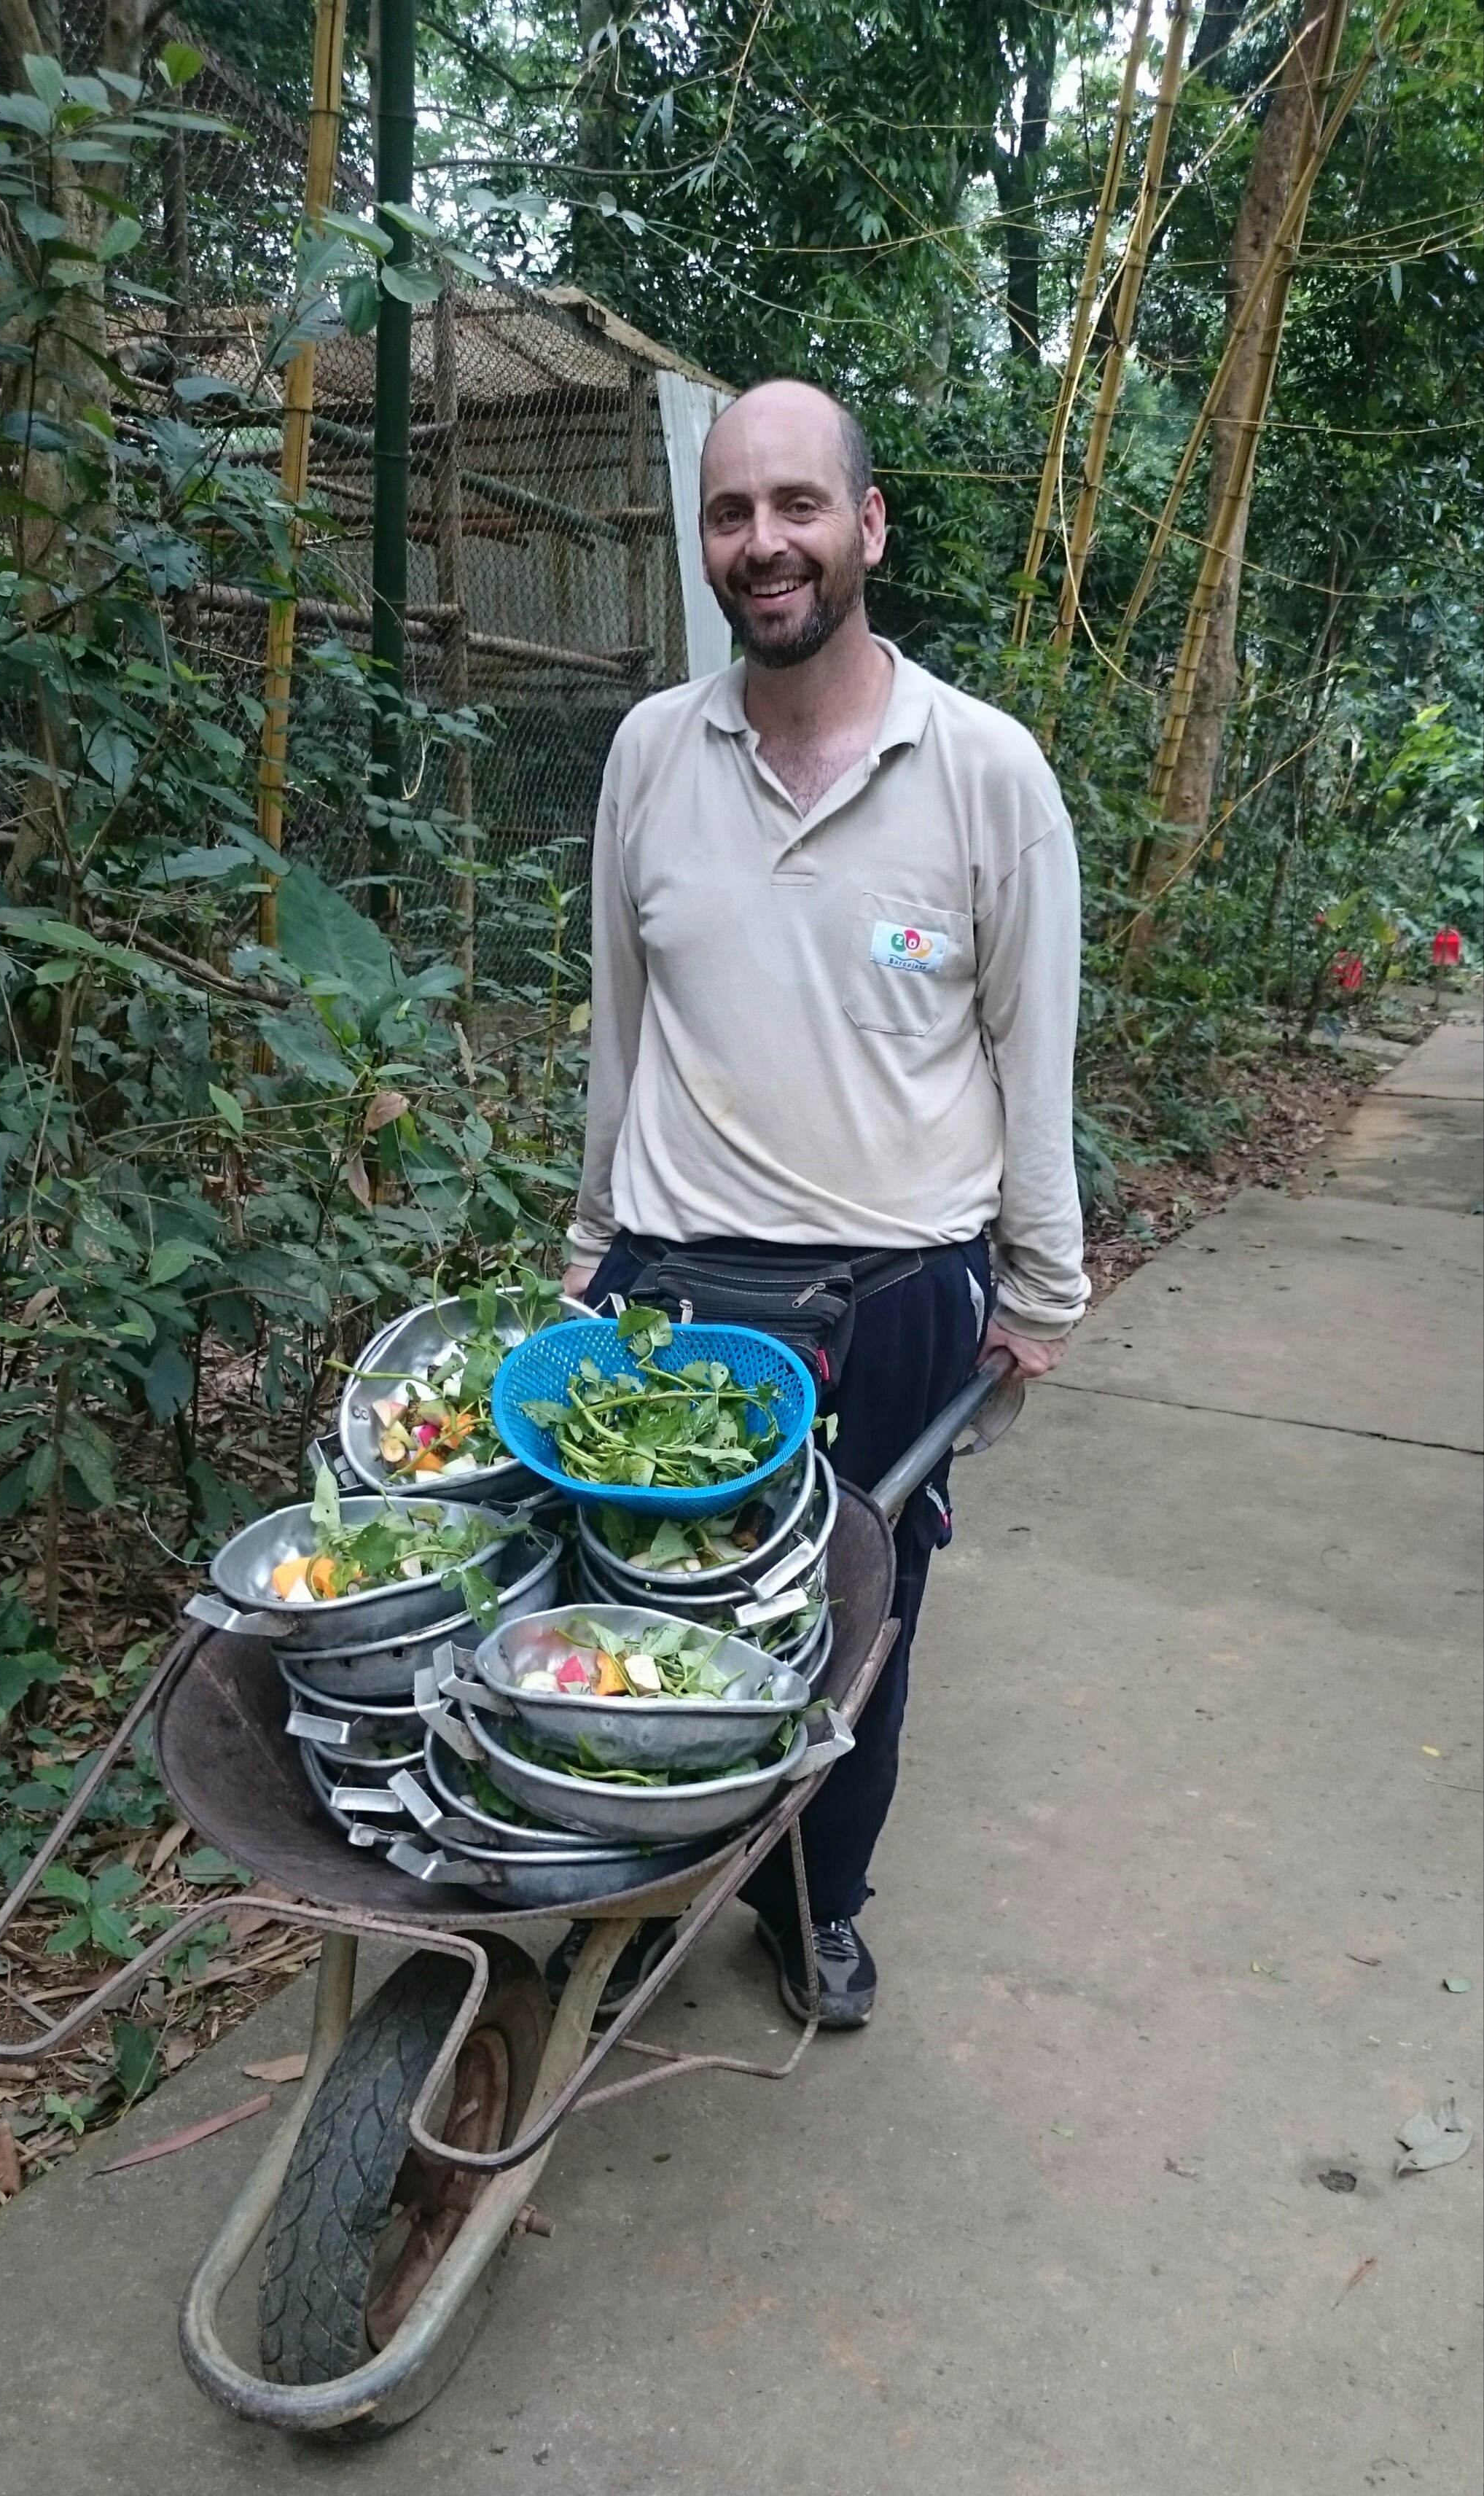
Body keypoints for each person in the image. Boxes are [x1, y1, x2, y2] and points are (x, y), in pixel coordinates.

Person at [547, 378, 1087, 2029]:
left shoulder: (985, 772)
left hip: (891, 1302)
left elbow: (1030, 1044)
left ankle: (807, 1903)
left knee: (859, 1630)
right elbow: (619, 1026)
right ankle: (637, 1892)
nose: (762, 541)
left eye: (797, 505)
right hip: (666, 1287)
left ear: (867, 526)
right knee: (635, 1600)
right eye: (731, 511)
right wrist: (586, 1250)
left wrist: (1039, 1290)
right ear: (704, 540)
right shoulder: (652, 751)